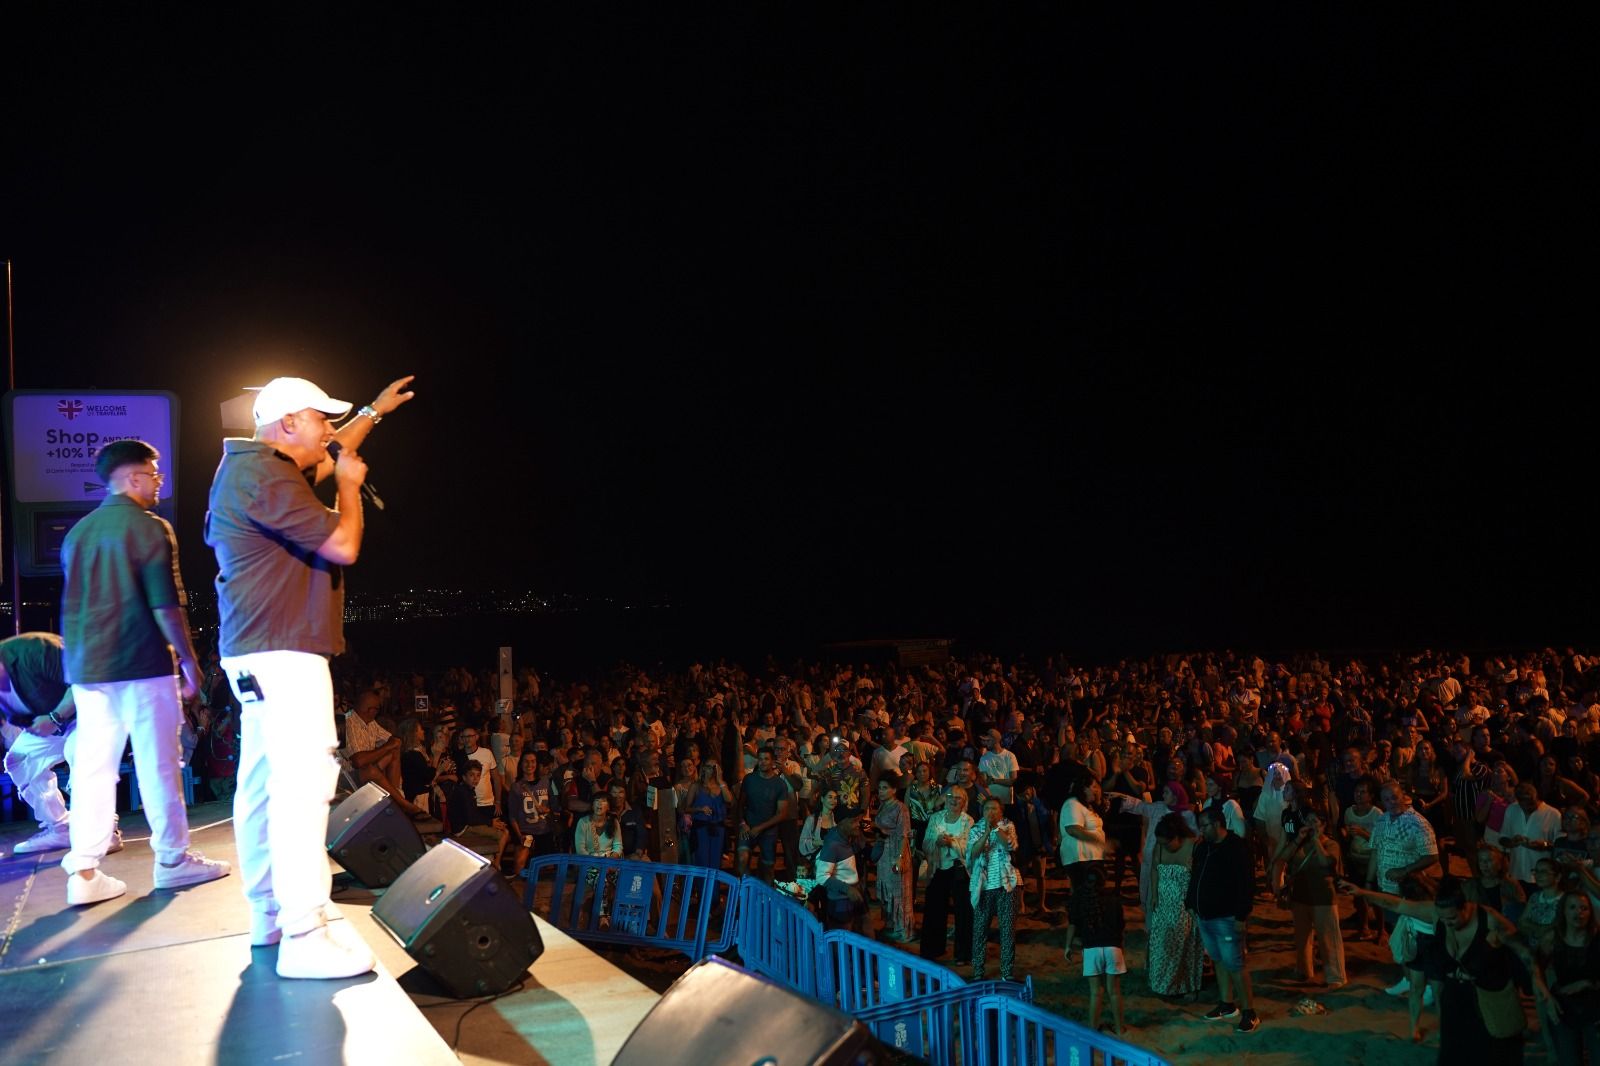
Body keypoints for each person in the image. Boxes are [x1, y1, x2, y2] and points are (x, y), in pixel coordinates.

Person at [206, 373, 413, 978]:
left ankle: (272, 917)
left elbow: (330, 452)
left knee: (265, 785)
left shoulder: (251, 471)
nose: (328, 431)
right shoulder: (265, 475)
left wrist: (373, 411)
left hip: (256, 651)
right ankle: (303, 933)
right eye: (320, 419)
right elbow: (343, 544)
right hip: (284, 653)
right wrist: (350, 488)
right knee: (303, 786)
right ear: (288, 424)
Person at [61, 439, 229, 906]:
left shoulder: (77, 533)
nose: (159, 482)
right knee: (159, 763)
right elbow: (167, 604)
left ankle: (85, 871)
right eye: (154, 474)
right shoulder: (151, 527)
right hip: (142, 662)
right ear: (133, 477)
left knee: (94, 768)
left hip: (88, 667)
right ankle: (173, 860)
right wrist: (191, 663)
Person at [1339, 875, 1524, 1064]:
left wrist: (1538, 982)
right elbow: (1397, 905)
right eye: (1443, 918)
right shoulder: (1436, 913)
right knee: (1453, 1049)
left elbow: (1522, 951)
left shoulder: (1489, 920)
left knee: (1489, 1047)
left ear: (1465, 907)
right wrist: (1362, 893)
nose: (1447, 922)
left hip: (1483, 992)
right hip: (1455, 991)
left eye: (1451, 917)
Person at [0, 633, 119, 857]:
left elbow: (84, 677)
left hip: (90, 711)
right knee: (19, 760)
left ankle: (104, 831)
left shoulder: (34, 650)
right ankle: (61, 827)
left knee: (79, 753)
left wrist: (55, 718)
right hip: (52, 724)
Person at [1187, 805, 1260, 1034]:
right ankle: (1227, 1004)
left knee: (1235, 963)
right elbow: (1196, 874)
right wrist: (1190, 902)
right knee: (1218, 959)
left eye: (1204, 826)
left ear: (1217, 824)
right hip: (1205, 915)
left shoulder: (1236, 847)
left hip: (1227, 916)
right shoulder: (1203, 848)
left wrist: (1241, 915)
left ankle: (1249, 1011)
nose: (1201, 831)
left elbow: (1246, 883)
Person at [1271, 804, 1346, 988]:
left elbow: (1327, 862)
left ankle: (1335, 976)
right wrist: (1298, 839)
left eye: (1315, 822)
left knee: (1328, 938)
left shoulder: (1331, 844)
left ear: (1324, 824)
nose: (1311, 824)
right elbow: (1283, 858)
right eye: (1308, 821)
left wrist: (1316, 841)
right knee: (1302, 938)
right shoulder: (1300, 842)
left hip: (1323, 898)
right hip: (1300, 897)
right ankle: (1304, 970)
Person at [1531, 891, 1600, 1066]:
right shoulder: (1553, 938)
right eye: (1573, 907)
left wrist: (1587, 983)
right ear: (1563, 911)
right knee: (1569, 1060)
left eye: (1584, 908)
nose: (1579, 912)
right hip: (1564, 1006)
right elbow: (1535, 968)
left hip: (1596, 1007)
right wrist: (1547, 997)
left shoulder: (1597, 939)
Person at [344, 688, 427, 819]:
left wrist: (390, 746)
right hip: (347, 776)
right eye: (377, 709)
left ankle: (394, 799)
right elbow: (358, 761)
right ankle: (403, 804)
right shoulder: (348, 722)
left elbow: (393, 741)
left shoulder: (370, 723)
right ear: (370, 710)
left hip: (366, 769)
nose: (377, 712)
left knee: (392, 751)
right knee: (372, 769)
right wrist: (387, 747)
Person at [1146, 812, 1203, 999]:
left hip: (1184, 905)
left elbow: (1199, 878)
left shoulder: (1194, 846)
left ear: (1177, 837)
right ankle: (1162, 983)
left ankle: (1186, 986)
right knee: (1161, 944)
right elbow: (1154, 869)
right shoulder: (1160, 848)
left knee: (1184, 946)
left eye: (1166, 842)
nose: (1162, 846)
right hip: (1163, 903)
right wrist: (1154, 894)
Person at [1071, 862, 1128, 1036]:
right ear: (1105, 880)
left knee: (1096, 993)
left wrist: (1069, 945)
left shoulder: (1082, 900)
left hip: (1091, 950)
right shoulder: (1114, 900)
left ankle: (1092, 1030)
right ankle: (1119, 1028)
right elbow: (1121, 926)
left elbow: (1075, 925)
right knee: (1114, 991)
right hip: (1113, 948)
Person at [967, 797, 1020, 982]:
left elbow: (1010, 845)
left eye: (995, 809)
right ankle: (978, 972)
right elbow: (973, 853)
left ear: (1001, 812)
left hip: (1007, 885)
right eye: (988, 808)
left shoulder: (1008, 826)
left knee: (1007, 930)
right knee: (980, 929)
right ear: (983, 811)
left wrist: (996, 829)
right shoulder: (975, 829)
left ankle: (1007, 972)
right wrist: (986, 833)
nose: (991, 812)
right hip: (984, 886)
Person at [920, 785, 974, 964]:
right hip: (938, 866)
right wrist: (936, 841)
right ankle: (933, 948)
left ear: (964, 802)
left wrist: (952, 843)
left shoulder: (968, 821)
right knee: (934, 907)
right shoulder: (935, 818)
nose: (953, 800)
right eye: (950, 796)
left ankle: (963, 954)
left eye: (958, 798)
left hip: (959, 868)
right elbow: (926, 842)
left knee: (963, 911)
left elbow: (969, 847)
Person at [1058, 776, 1108, 962]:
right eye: (1092, 787)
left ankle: (1086, 932)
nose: (1096, 790)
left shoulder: (1088, 806)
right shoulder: (1072, 804)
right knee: (1082, 895)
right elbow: (1073, 829)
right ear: (1082, 788)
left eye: (1097, 787)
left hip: (1091, 857)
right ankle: (1079, 934)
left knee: (1091, 895)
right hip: (1080, 858)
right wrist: (1098, 841)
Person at [736, 746, 792, 883]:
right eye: (760, 759)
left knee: (768, 868)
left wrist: (760, 828)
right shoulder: (749, 779)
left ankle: (766, 899)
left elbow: (782, 814)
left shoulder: (779, 784)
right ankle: (748, 892)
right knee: (742, 860)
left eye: (766, 759)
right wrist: (742, 824)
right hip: (748, 827)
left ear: (773, 761)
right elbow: (739, 804)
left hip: (769, 831)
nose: (762, 762)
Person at [874, 772, 915, 943]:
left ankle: (904, 930)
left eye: (885, 788)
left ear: (894, 789)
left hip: (897, 851)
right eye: (879, 788)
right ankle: (892, 924)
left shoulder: (901, 808)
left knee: (899, 891)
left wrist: (899, 857)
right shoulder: (883, 805)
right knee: (888, 890)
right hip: (884, 851)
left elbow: (904, 834)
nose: (881, 791)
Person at [688, 761, 729, 870]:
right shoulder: (696, 786)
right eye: (708, 767)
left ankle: (713, 887)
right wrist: (700, 809)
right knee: (702, 861)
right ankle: (702, 887)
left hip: (718, 829)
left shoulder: (722, 785)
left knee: (716, 864)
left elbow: (729, 800)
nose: (711, 770)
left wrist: (720, 780)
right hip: (701, 829)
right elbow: (685, 808)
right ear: (703, 768)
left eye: (714, 767)